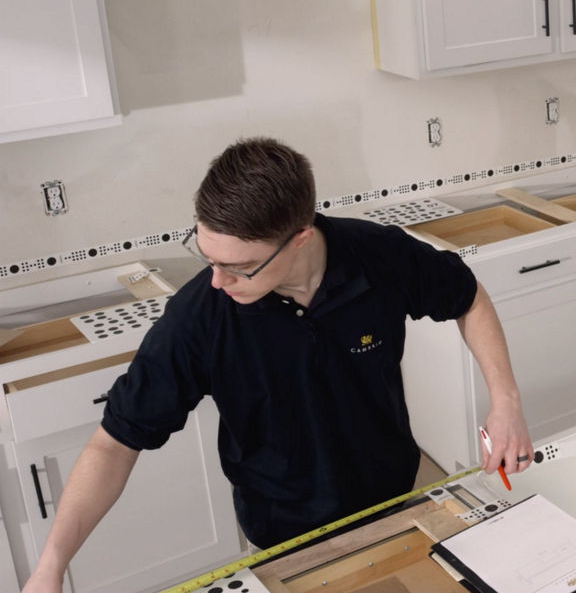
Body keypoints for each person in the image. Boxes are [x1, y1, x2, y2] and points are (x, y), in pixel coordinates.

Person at [22, 138, 532, 592]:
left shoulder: (379, 255)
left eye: (239, 267)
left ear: (301, 240)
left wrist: (505, 401)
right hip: (282, 534)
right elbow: (113, 444)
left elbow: (467, 298)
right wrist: (49, 568)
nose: (219, 280)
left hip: (395, 502)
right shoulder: (200, 317)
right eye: (207, 257)